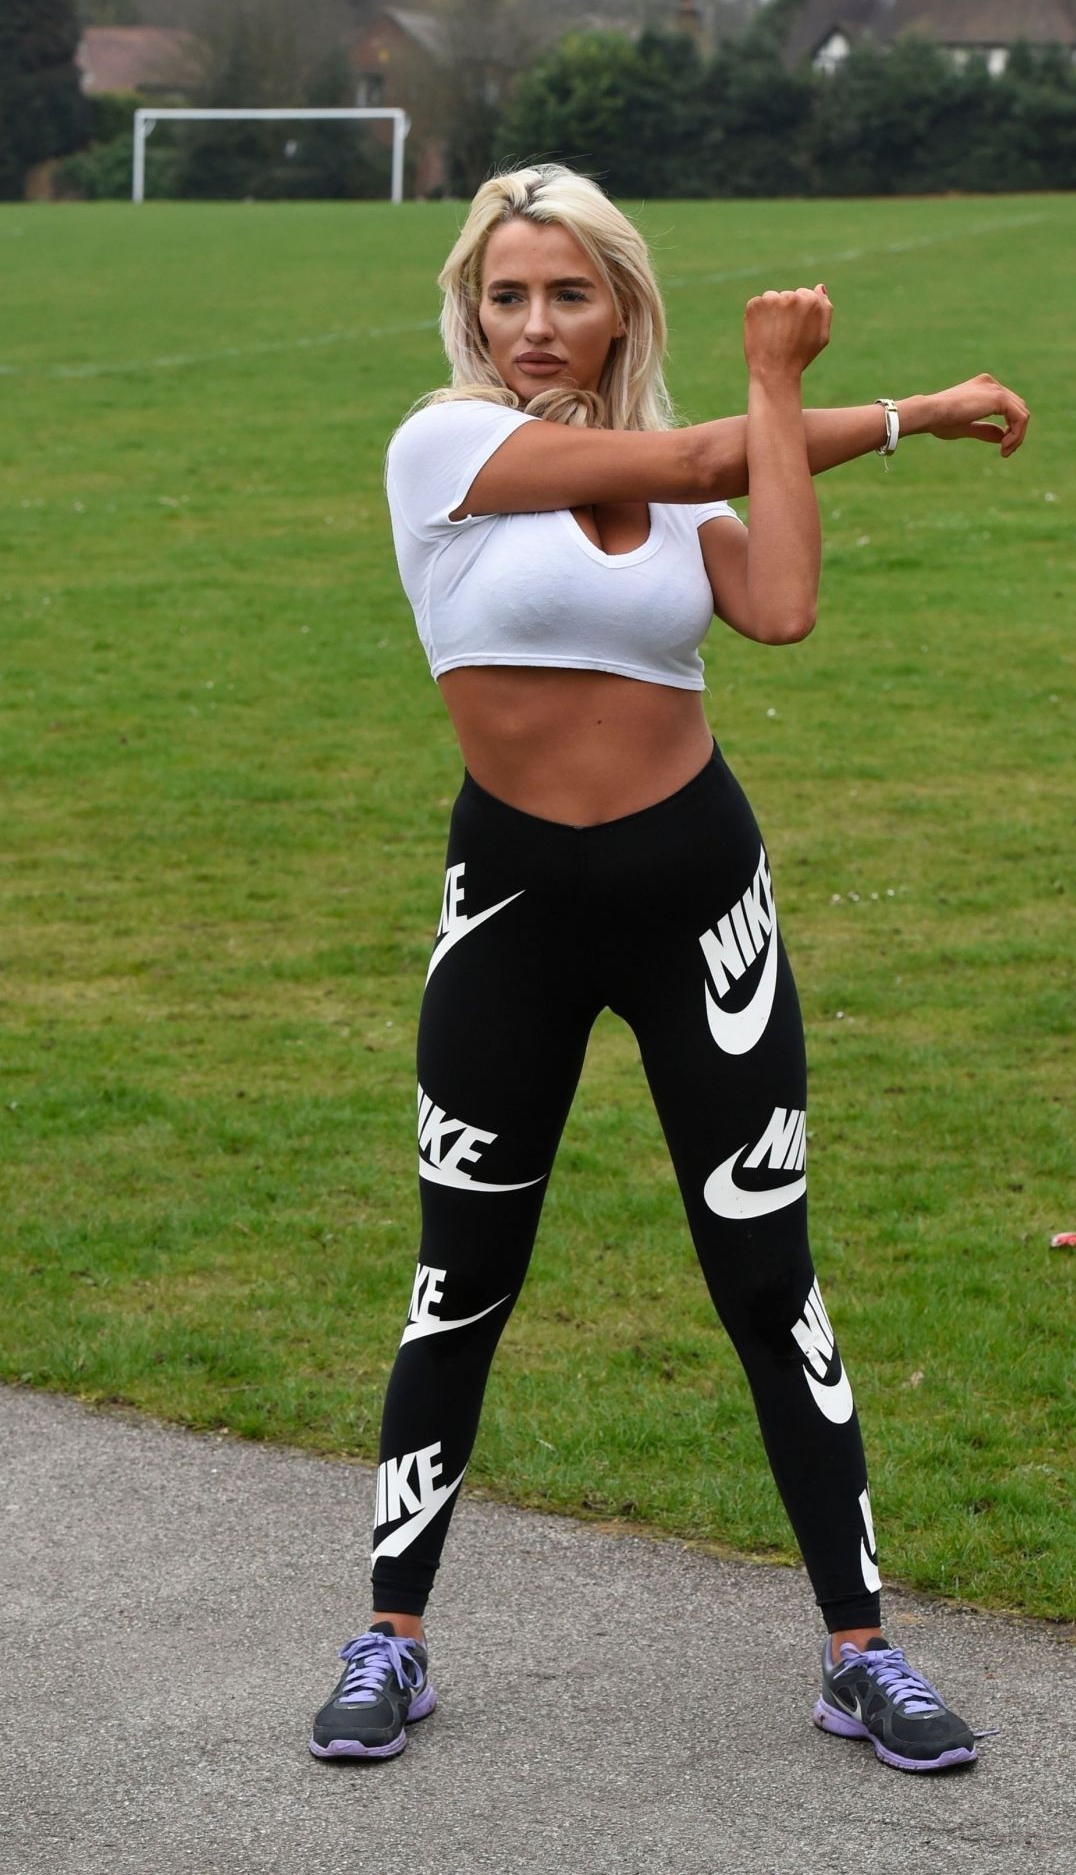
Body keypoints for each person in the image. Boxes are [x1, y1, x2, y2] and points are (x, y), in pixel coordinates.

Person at [310, 162, 1029, 1773]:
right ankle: (392, 1634)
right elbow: (715, 440)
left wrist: (854, 416)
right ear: (469, 308)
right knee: (461, 1279)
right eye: (508, 294)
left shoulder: (701, 485)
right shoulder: (443, 446)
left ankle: (863, 1649)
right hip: (513, 906)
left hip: (703, 898)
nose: (536, 325)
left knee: (769, 1279)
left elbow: (776, 601)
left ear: (623, 303)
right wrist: (859, 399)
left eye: (571, 293)